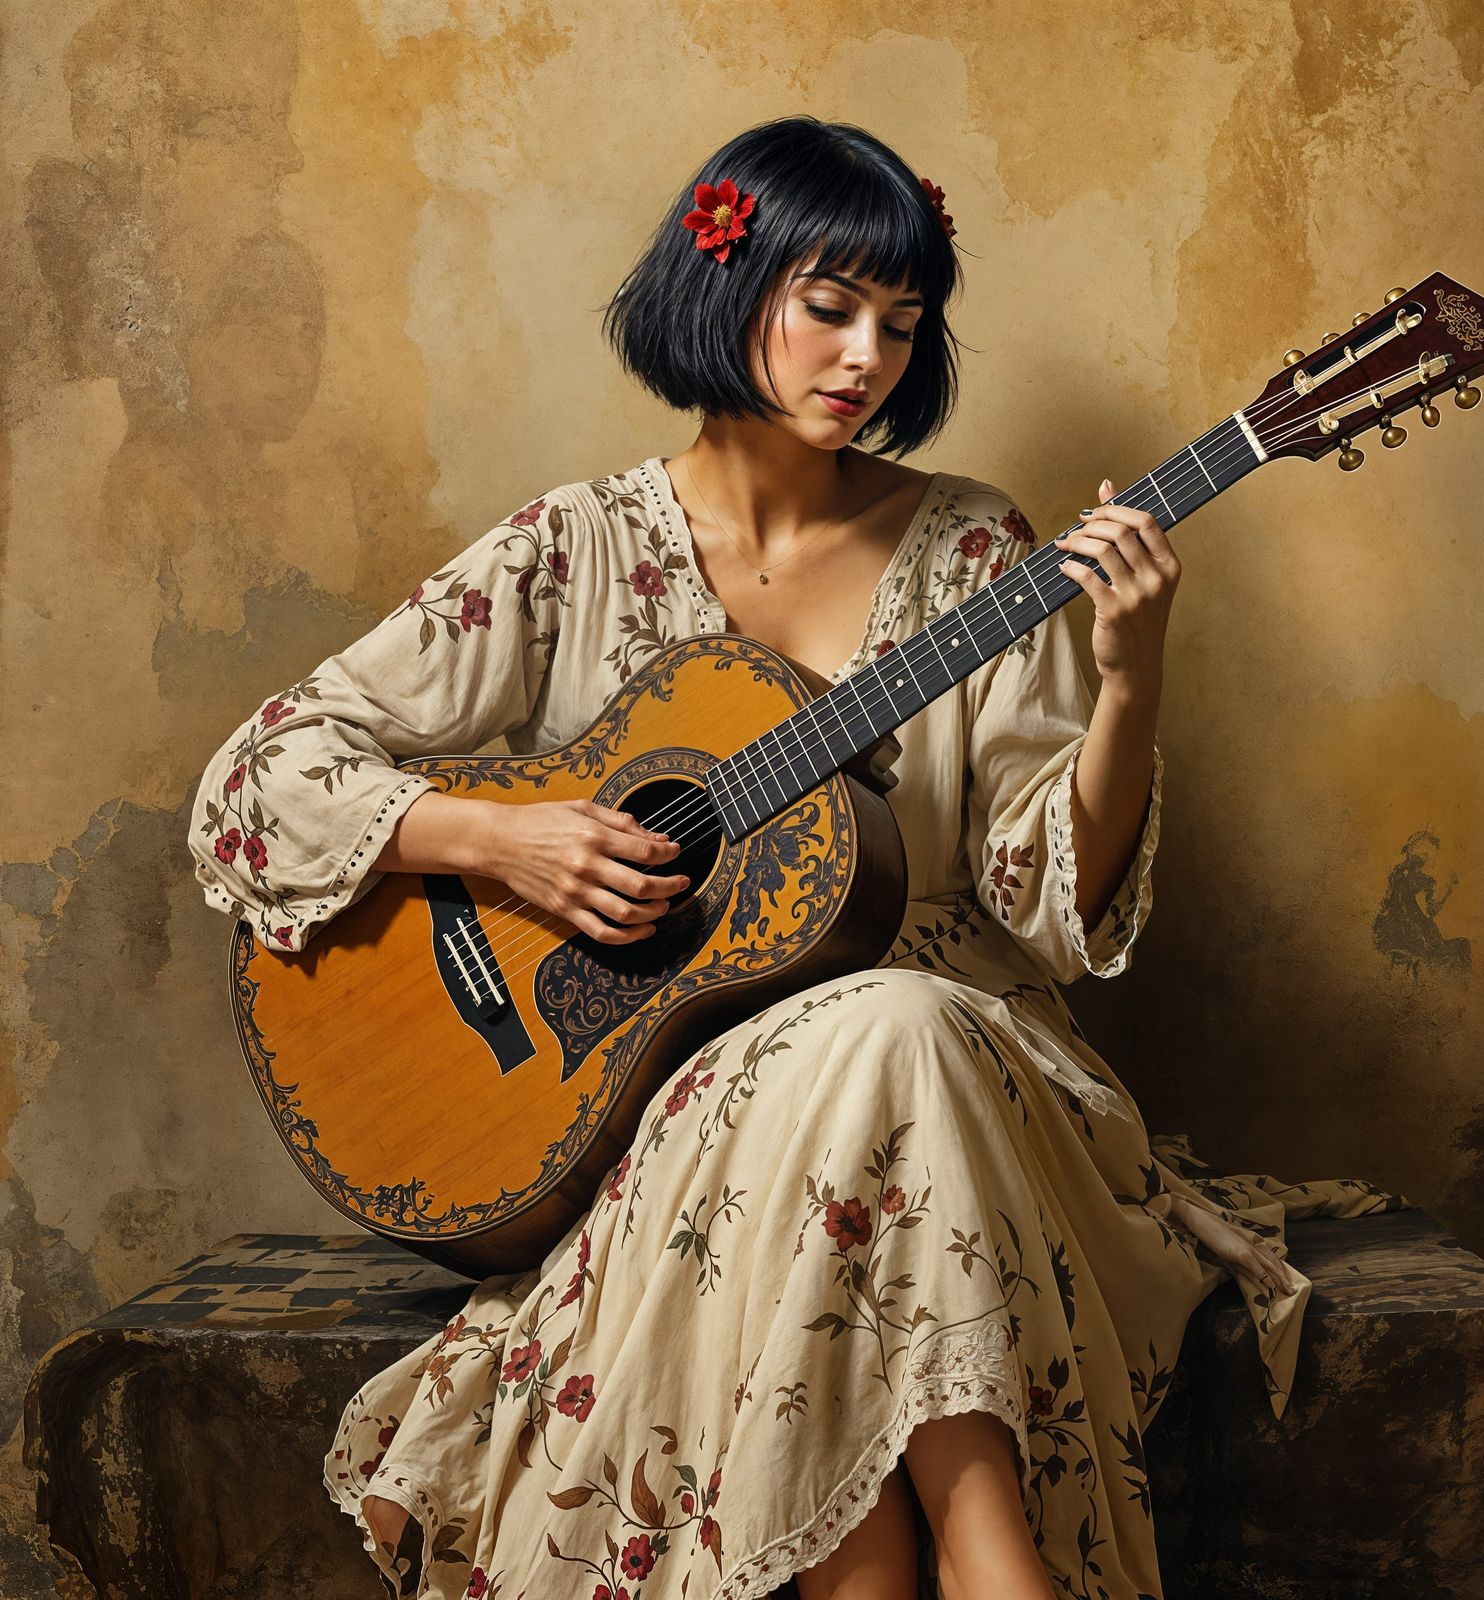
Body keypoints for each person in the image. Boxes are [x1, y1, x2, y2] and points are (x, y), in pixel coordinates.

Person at [188, 116, 1408, 1600]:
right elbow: (259, 779)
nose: (869, 358)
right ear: (728, 281)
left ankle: (958, 1543)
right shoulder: (573, 553)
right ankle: (979, 1548)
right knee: (861, 1040)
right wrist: (504, 839)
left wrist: (1131, 674)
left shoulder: (978, 557)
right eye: (831, 307)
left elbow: (1048, 904)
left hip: (971, 1085)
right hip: (671, 1131)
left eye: (902, 324)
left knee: (887, 1018)